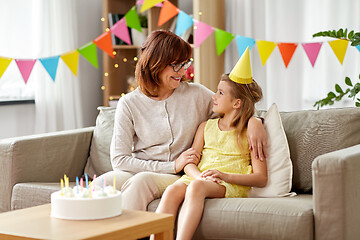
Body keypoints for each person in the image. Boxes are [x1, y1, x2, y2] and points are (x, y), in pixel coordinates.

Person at [94, 30, 267, 211]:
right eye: (176, 65)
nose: (183, 71)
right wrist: (171, 164)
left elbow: (235, 109)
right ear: (156, 64)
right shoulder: (129, 103)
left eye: (185, 64)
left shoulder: (197, 94)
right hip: (144, 168)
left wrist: (255, 121)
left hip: (178, 175)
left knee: (141, 182)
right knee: (99, 184)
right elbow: (120, 160)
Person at [155, 47, 267, 240]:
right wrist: (199, 176)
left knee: (196, 189)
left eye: (220, 93)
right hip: (201, 179)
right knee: (172, 190)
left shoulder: (249, 131)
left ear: (237, 103)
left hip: (227, 182)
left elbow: (261, 178)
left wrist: (224, 176)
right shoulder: (206, 126)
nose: (214, 96)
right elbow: (190, 161)